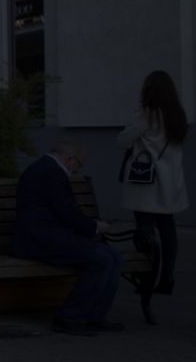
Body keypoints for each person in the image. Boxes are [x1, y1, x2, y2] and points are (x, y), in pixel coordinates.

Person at [12, 143, 122, 334]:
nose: (78, 170)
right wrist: (95, 227)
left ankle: (93, 316)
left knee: (112, 256)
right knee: (102, 259)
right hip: (40, 241)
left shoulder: (45, 168)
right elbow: (67, 212)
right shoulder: (52, 173)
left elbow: (63, 212)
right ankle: (70, 316)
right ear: (69, 159)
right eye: (79, 165)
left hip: (47, 236)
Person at [117, 70, 188, 298]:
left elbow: (123, 140)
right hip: (171, 180)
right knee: (167, 227)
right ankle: (167, 274)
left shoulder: (147, 113)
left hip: (146, 180)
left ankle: (147, 275)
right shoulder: (177, 114)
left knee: (144, 229)